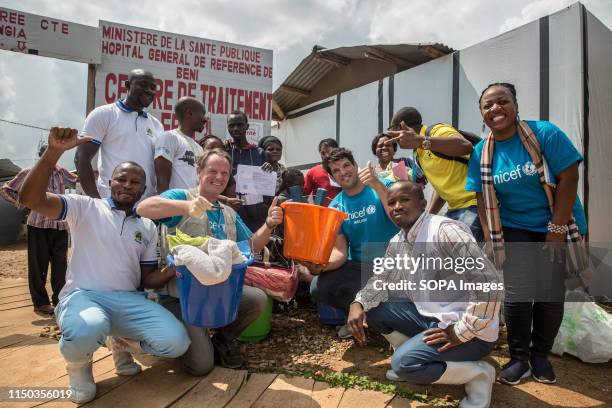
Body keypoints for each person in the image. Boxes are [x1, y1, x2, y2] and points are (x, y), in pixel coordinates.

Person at [18, 128, 190, 404]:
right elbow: (30, 199)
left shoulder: (146, 226)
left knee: (176, 343)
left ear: (143, 190)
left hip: (128, 300)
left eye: (135, 182)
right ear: (110, 182)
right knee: (90, 326)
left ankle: (119, 341)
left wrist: (175, 267)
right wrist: (54, 152)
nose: (128, 185)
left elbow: (147, 279)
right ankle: (79, 367)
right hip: (84, 296)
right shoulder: (85, 207)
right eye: (121, 179)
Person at [466, 82, 587, 386]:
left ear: (516, 105)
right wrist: (494, 238)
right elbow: (481, 196)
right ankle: (519, 359)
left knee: (548, 294)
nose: (495, 109)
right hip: (514, 227)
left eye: (502, 101)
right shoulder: (482, 152)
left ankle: (541, 356)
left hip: (556, 219)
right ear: (482, 114)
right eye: (488, 105)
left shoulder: (544, 133)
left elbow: (569, 176)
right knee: (518, 296)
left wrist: (556, 230)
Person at [348, 181, 500, 408]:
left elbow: (489, 283)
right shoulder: (397, 242)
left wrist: (461, 331)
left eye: (404, 200)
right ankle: (421, 356)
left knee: (404, 364)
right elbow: (381, 281)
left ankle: (478, 374)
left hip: (472, 332)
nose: (397, 206)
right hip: (434, 320)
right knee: (374, 308)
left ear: (422, 203)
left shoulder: (445, 231)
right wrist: (357, 303)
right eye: (391, 203)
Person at [137, 148, 283, 371]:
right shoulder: (181, 197)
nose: (219, 177)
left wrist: (270, 224)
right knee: (201, 367)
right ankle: (176, 335)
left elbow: (251, 246)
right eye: (212, 171)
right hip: (182, 296)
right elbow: (144, 208)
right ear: (198, 171)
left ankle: (222, 341)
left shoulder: (228, 213)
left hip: (218, 291)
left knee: (256, 299)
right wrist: (187, 207)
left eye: (224, 173)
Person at [303, 148, 399, 337]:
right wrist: (320, 267)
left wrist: (377, 184)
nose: (343, 172)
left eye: (346, 165)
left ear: (356, 166)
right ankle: (364, 315)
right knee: (318, 285)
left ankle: (391, 322)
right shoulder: (335, 207)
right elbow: (340, 252)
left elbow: (400, 221)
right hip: (362, 267)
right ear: (332, 178)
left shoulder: (384, 185)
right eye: (336, 170)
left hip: (396, 264)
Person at [0, 144, 77, 316]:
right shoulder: (29, 172)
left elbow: (77, 180)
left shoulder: (61, 172)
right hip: (38, 225)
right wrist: (21, 203)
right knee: (38, 264)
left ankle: (60, 301)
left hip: (60, 225)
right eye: (49, 155)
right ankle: (40, 303)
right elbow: (7, 189)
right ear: (42, 156)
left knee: (60, 266)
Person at [386, 108, 482, 241]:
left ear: (401, 127)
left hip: (474, 204)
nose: (392, 138)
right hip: (454, 208)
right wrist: (426, 218)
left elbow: (465, 146)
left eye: (392, 130)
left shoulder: (437, 131)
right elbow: (440, 188)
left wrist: (421, 141)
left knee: (464, 256)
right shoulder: (418, 153)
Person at [75, 68, 163, 199]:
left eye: (153, 87)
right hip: (110, 205)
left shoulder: (157, 125)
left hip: (144, 209)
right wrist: (97, 203)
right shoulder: (104, 114)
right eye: (143, 85)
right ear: (127, 86)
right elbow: (81, 158)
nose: (149, 91)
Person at [223, 111, 269, 232]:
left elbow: (265, 184)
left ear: (247, 126)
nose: (236, 128)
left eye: (239, 125)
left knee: (254, 247)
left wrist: (268, 169)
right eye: (231, 125)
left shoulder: (259, 153)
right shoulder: (224, 151)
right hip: (229, 208)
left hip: (254, 211)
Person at [154, 97, 206, 192]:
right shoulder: (170, 137)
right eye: (202, 113)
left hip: (193, 205)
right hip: (173, 204)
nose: (205, 119)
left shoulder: (199, 148)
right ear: (189, 113)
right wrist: (163, 202)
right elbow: (161, 178)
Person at [303, 138, 342, 206]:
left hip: (343, 213)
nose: (326, 155)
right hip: (322, 215)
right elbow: (303, 196)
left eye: (329, 151)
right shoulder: (313, 172)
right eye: (323, 153)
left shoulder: (344, 170)